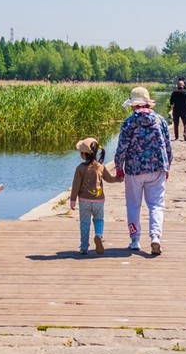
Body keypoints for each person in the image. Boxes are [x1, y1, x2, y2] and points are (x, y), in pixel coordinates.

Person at [114, 86, 173, 255]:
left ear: (133, 105)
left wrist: (119, 168)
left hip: (134, 169)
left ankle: (135, 240)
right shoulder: (160, 120)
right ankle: (155, 237)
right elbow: (168, 146)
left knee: (133, 205)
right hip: (157, 168)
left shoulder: (129, 123)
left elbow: (122, 148)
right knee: (156, 205)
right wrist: (167, 165)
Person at [69, 137, 121, 255]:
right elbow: (109, 179)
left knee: (84, 223)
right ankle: (98, 235)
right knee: (99, 220)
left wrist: (73, 200)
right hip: (98, 200)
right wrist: (117, 179)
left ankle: (84, 247)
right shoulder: (100, 167)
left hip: (84, 201)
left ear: (83, 154)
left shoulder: (80, 168)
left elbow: (76, 185)